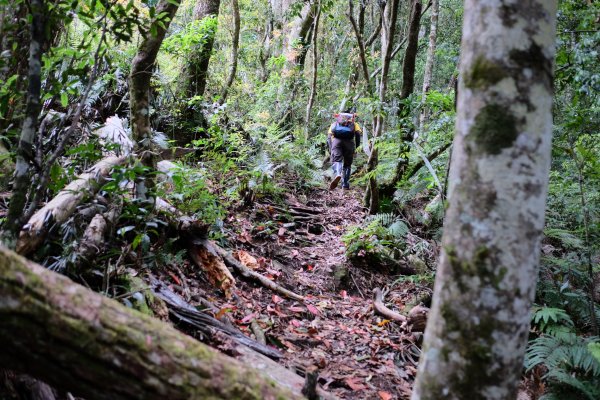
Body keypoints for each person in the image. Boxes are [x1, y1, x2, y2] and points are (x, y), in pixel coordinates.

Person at [327, 112, 361, 190]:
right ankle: (345, 184)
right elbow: (358, 135)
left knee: (337, 160)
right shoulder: (354, 124)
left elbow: (329, 137)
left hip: (337, 142)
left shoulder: (335, 123)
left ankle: (338, 174)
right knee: (347, 164)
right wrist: (357, 148)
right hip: (349, 143)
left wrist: (331, 148)